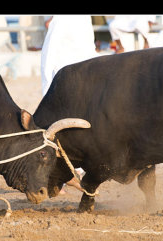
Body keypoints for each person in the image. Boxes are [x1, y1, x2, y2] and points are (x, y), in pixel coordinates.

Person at [41, 15, 97, 194]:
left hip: (82, 61)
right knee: (61, 118)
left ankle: (72, 172)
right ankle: (63, 175)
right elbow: (50, 58)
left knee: (84, 113)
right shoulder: (62, 22)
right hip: (66, 72)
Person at [41, 15, 99, 96]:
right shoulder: (85, 17)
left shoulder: (61, 19)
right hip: (85, 77)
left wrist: (46, 92)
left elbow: (48, 55)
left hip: (67, 79)